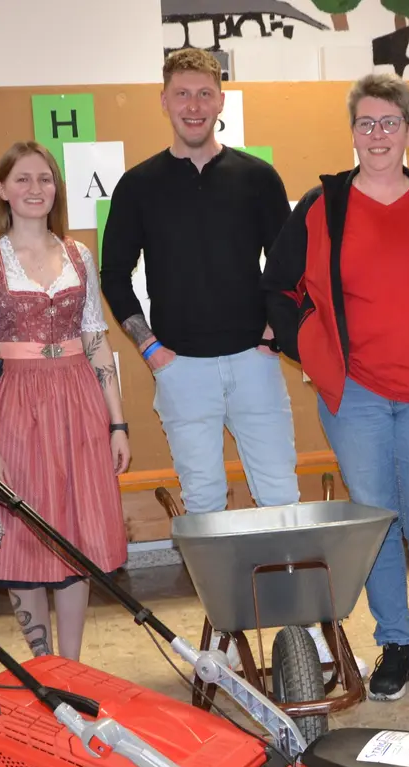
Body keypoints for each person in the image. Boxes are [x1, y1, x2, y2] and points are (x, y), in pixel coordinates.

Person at [262, 74, 409, 702]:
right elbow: (279, 289)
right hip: (356, 400)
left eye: (389, 123)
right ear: (352, 132)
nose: (377, 135)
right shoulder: (322, 207)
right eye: (366, 124)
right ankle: (395, 645)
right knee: (376, 523)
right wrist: (317, 356)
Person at [100, 48, 297, 516]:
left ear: (221, 101)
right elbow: (113, 275)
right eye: (182, 94)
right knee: (204, 502)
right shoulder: (137, 185)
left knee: (279, 496)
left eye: (204, 94)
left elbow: (289, 265)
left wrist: (274, 335)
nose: (194, 105)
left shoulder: (258, 178)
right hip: (180, 368)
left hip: (256, 364)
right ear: (163, 101)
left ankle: (287, 592)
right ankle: (223, 594)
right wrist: (151, 350)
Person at [0, 141, 132, 662]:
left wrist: (118, 422)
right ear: (1, 190)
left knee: (75, 529)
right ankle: (42, 663)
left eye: (44, 179)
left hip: (78, 397)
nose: (34, 189)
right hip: (17, 400)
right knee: (24, 529)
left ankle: (72, 666)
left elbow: (96, 340)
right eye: (22, 179)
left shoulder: (79, 254)